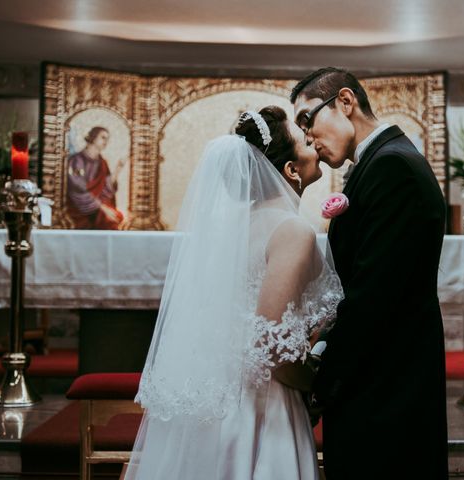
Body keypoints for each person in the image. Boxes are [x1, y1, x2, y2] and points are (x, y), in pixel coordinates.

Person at [124, 106, 343, 480]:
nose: (312, 142)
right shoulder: (293, 230)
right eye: (303, 140)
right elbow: (271, 345)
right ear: (291, 170)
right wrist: (319, 388)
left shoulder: (233, 227)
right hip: (265, 408)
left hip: (221, 400)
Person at [291, 67, 449, 478]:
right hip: (383, 379)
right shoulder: (380, 163)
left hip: (388, 389)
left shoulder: (391, 168)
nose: (307, 137)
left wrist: (322, 388)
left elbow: (372, 300)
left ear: (345, 102)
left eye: (308, 119)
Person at [66, 126, 126, 229]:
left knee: (117, 217)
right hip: (79, 210)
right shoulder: (77, 160)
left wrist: (118, 169)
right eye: (103, 137)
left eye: (107, 139)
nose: (106, 141)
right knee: (109, 222)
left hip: (96, 208)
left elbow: (105, 190)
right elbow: (78, 191)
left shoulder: (102, 163)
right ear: (93, 137)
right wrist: (102, 208)